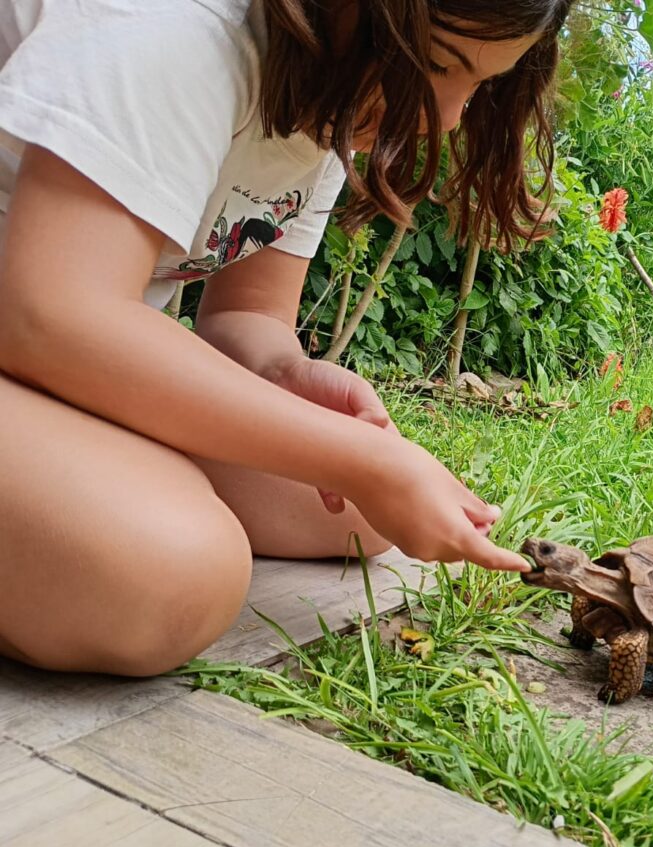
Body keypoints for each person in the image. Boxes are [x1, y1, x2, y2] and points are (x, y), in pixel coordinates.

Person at [0, 0, 571, 677]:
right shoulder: (180, 29)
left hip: (40, 348)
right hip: (38, 325)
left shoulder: (332, 84)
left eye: (482, 84)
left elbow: (247, 318)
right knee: (169, 579)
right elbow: (49, 311)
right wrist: (354, 457)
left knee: (357, 517)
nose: (448, 116)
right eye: (440, 64)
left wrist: (283, 376)